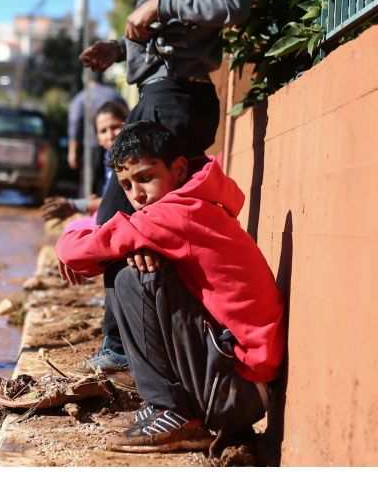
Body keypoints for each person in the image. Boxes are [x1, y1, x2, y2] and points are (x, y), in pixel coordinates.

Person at [77, 0, 252, 375]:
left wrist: (159, 7)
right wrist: (120, 49)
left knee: (119, 218)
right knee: (148, 228)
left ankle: (127, 351)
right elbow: (162, 27)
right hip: (154, 91)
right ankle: (147, 348)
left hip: (181, 95)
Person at [56, 122, 284, 453]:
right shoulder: (192, 201)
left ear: (178, 170)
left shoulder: (178, 212)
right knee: (134, 264)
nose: (136, 194)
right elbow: (103, 246)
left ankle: (173, 411)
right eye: (126, 184)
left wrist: (65, 246)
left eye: (145, 177)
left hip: (239, 388)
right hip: (238, 377)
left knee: (133, 277)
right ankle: (166, 405)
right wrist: (136, 245)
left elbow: (79, 249)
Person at [41, 100, 129, 220]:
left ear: (127, 126)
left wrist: (76, 205)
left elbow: (116, 200)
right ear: (97, 138)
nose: (110, 135)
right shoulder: (109, 156)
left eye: (115, 127)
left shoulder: (129, 159)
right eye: (103, 131)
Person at [66, 77, 124, 172]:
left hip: (91, 147)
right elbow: (127, 115)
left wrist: (72, 152)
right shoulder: (114, 94)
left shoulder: (82, 97)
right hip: (116, 143)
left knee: (90, 183)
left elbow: (75, 124)